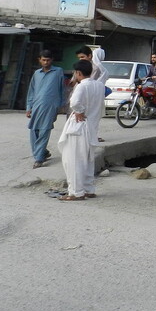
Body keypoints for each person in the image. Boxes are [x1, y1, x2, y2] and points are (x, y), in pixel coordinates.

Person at [57, 59, 105, 201]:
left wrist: (79, 111)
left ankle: (76, 192)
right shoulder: (99, 85)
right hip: (91, 128)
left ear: (78, 73)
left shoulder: (82, 86)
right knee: (88, 160)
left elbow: (75, 102)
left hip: (79, 128)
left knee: (73, 160)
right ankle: (88, 189)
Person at [26, 49, 64, 168]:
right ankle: (43, 152)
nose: (46, 62)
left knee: (44, 130)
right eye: (43, 60)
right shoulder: (37, 73)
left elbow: (62, 89)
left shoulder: (58, 72)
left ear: (52, 60)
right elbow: (31, 91)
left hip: (51, 106)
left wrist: (61, 105)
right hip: (36, 106)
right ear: (39, 60)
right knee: (34, 130)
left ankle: (38, 158)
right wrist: (29, 107)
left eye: (48, 60)